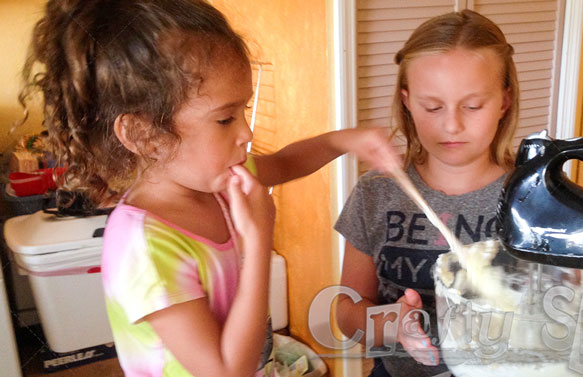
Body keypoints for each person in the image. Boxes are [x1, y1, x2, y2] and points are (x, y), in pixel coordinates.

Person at [19, 0, 398, 376]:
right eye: (225, 118)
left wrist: (345, 141)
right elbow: (225, 371)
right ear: (144, 134)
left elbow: (284, 163)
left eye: (243, 112)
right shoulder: (144, 247)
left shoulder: (214, 178)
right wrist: (258, 242)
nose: (246, 133)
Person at [334, 9, 519, 377]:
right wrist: (391, 325)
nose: (451, 124)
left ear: (504, 101)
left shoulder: (532, 198)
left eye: (472, 105)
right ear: (406, 100)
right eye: (432, 106)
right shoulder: (377, 193)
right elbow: (345, 311)